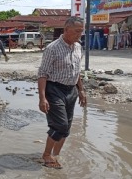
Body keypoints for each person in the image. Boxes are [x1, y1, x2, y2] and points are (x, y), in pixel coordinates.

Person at [38, 16, 87, 169]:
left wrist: (81, 90)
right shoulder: (52, 48)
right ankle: (46, 154)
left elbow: (77, 71)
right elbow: (42, 74)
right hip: (54, 89)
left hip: (71, 90)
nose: (79, 35)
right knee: (60, 125)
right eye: (77, 31)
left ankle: (55, 155)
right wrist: (42, 98)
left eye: (81, 32)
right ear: (66, 30)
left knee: (67, 128)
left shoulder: (78, 47)